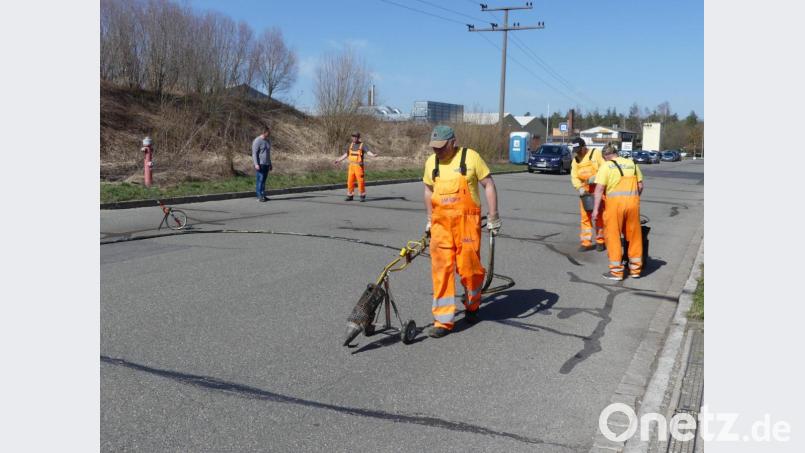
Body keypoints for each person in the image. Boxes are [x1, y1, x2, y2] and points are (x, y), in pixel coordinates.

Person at [422, 125, 500, 338]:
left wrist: (493, 216)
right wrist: (429, 219)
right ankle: (443, 321)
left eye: (441, 147)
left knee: (469, 269)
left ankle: (473, 304)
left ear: (453, 142)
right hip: (440, 226)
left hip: (466, 224)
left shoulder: (470, 157)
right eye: (434, 147)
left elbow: (489, 184)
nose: (437, 151)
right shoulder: (432, 162)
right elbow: (428, 190)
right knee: (441, 270)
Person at [591, 144, 644, 281]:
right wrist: (633, 198)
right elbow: (640, 185)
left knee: (613, 237)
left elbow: (599, 189)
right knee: (634, 236)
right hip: (633, 204)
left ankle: (616, 272)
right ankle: (635, 270)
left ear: (605, 156)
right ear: (617, 153)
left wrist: (596, 210)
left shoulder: (606, 166)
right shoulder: (632, 163)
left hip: (615, 206)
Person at [570, 137, 607, 252]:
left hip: (598, 188)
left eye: (579, 150)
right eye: (575, 150)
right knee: (585, 217)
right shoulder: (575, 160)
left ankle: (601, 241)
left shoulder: (595, 154)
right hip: (585, 191)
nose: (578, 153)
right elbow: (574, 176)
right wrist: (579, 187)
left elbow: (605, 168)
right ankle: (586, 242)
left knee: (599, 216)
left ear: (584, 147)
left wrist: (597, 177)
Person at [334, 132, 378, 202]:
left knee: (360, 181)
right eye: (353, 137)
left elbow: (368, 152)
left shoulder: (362, 145)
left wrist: (373, 155)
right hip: (351, 166)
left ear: (358, 137)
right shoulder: (350, 145)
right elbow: (346, 154)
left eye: (355, 137)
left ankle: (362, 195)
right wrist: (339, 160)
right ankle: (350, 195)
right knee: (350, 181)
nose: (354, 138)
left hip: (359, 167)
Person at [252, 127, 272, 202]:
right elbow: (254, 153)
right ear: (264, 132)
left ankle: (263, 195)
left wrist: (270, 163)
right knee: (260, 180)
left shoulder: (268, 141)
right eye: (268, 133)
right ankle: (259, 196)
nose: (269, 134)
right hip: (260, 164)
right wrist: (256, 164)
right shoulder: (257, 141)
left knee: (264, 180)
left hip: (266, 163)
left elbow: (268, 153)